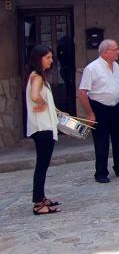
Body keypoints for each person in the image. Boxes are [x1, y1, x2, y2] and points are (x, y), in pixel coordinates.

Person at [78, 39, 119, 183]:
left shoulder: (116, 66)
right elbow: (82, 92)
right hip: (99, 107)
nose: (118, 51)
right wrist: (90, 113)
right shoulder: (92, 68)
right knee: (101, 141)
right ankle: (101, 172)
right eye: (115, 49)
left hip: (116, 106)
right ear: (106, 52)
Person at [25, 45, 60, 215]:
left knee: (42, 165)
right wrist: (43, 103)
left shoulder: (37, 76)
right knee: (42, 165)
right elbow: (34, 96)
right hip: (42, 127)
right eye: (48, 57)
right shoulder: (37, 77)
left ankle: (41, 198)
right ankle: (38, 203)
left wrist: (54, 109)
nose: (51, 60)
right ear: (39, 59)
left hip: (44, 126)